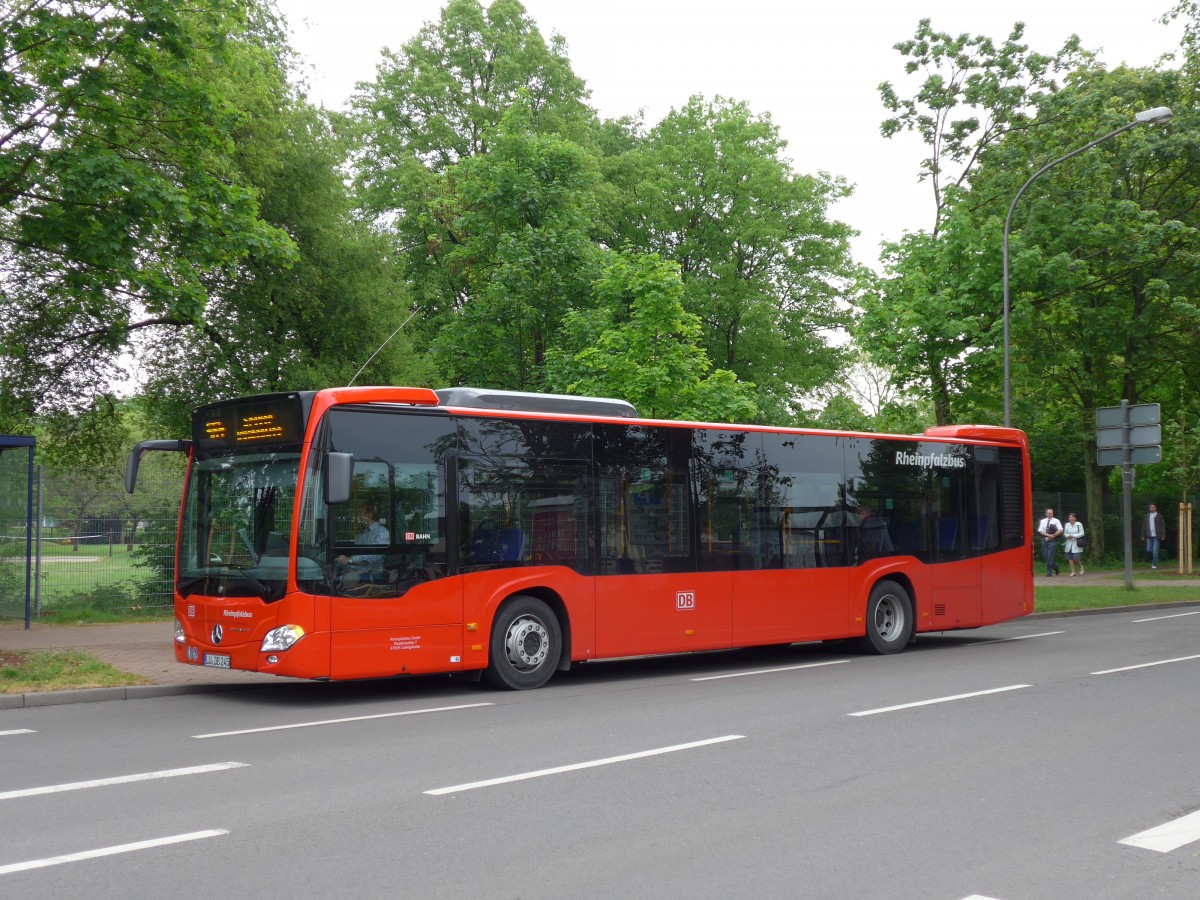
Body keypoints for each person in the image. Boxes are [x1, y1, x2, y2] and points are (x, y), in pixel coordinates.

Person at [336, 504, 390, 584]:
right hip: (358, 570)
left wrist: (350, 560)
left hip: (374, 573)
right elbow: (356, 553)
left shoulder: (382, 532)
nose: (358, 516)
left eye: (361, 513)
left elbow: (374, 556)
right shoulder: (362, 534)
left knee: (337, 581)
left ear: (369, 515)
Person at [1140, 502, 1167, 569]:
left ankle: (1154, 564)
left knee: (1155, 550)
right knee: (1148, 549)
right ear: (1149, 508)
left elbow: (1162, 526)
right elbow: (1144, 526)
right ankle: (1155, 558)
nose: (1152, 508)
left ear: (1155, 508)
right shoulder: (1147, 516)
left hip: (1156, 536)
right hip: (1149, 535)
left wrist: (1163, 535)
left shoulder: (1159, 515)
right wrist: (1142, 535)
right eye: (1151, 507)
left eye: (1153, 507)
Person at [1036, 507, 1062, 576]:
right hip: (1044, 539)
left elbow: (1060, 530)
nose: (1051, 514)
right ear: (1046, 514)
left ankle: (1049, 572)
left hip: (1053, 539)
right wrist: (1048, 535)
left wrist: (1053, 535)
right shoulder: (1043, 521)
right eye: (1049, 513)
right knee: (1046, 556)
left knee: (1050, 556)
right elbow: (1040, 531)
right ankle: (1055, 566)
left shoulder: (1056, 521)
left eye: (1052, 513)